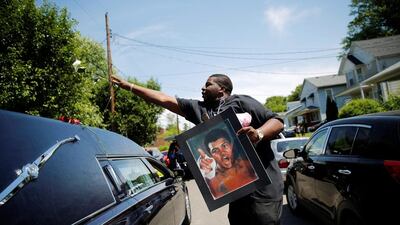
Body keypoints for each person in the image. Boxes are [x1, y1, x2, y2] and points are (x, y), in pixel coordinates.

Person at [112, 73, 284, 225]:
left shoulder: (241, 102)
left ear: (221, 89)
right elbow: (164, 99)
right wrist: (129, 86)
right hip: (238, 194)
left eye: (208, 84)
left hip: (264, 191)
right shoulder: (201, 109)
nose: (203, 87)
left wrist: (259, 134)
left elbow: (277, 121)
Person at [199, 128, 257, 199]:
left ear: (231, 145)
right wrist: (208, 176)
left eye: (224, 146)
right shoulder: (213, 181)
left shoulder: (248, 165)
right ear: (211, 156)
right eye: (215, 150)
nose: (222, 152)